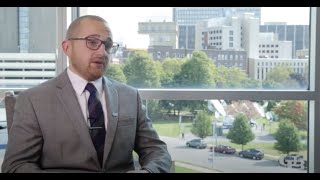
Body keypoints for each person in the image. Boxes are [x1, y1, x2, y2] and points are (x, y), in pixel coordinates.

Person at [1, 15, 171, 173]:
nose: (102, 52)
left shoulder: (130, 96)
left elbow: (157, 151)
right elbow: (15, 165)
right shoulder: (33, 101)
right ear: (67, 47)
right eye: (92, 42)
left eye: (108, 45)